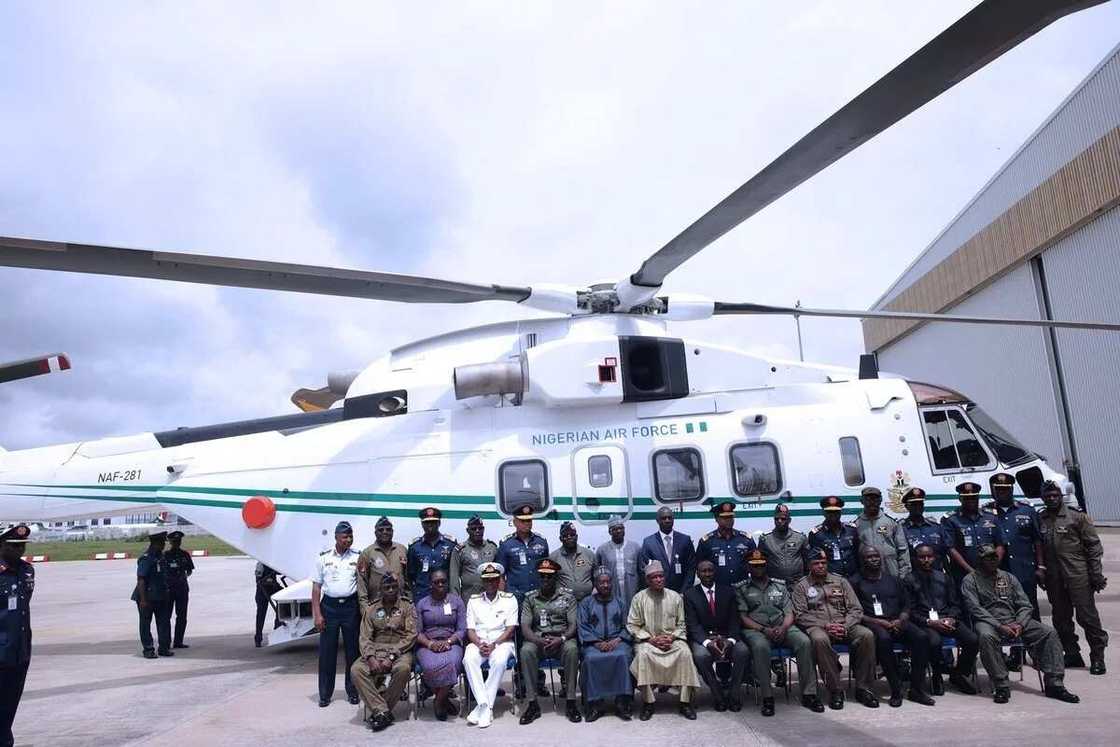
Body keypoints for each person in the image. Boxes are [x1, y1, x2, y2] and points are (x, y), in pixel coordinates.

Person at [961, 543, 1079, 704]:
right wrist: (999, 626)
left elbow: (1025, 604)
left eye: (994, 557)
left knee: (1048, 633)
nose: (992, 561)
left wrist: (1020, 624)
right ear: (980, 560)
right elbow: (975, 609)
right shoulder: (970, 580)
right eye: (987, 558)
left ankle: (1054, 683)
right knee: (986, 636)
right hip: (989, 622)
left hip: (1015, 621)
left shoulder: (1009, 577)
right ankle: (1001, 684)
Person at [737, 548, 822, 715]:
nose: (758, 568)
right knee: (760, 647)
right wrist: (763, 629)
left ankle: (809, 694)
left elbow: (790, 612)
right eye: (754, 566)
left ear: (766, 565)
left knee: (804, 642)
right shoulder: (742, 588)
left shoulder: (780, 585)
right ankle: (767, 697)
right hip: (756, 630)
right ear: (748, 567)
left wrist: (783, 627)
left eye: (761, 565)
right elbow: (743, 617)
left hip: (783, 626)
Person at [1038, 480, 1109, 674]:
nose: (1052, 499)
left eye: (1055, 495)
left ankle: (1097, 657)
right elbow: (1038, 548)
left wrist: (1096, 573)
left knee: (1087, 618)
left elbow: (1094, 546)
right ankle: (1071, 654)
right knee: (1061, 619)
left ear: (1061, 496)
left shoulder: (1077, 517)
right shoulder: (1041, 519)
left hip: (1078, 576)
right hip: (1054, 579)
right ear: (1043, 498)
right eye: (1048, 496)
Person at [792, 548, 876, 710]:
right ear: (809, 565)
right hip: (818, 626)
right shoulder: (802, 586)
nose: (821, 566)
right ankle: (835, 690)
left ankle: (863, 688)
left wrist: (845, 625)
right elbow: (800, 615)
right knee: (819, 639)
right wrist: (826, 625)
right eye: (816, 563)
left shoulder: (841, 581)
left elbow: (856, 609)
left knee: (867, 635)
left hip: (844, 624)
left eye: (823, 563)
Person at [850, 546, 934, 707]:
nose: (874, 559)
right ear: (862, 560)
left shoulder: (893, 579)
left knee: (922, 637)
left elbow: (907, 604)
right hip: (874, 623)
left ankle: (917, 689)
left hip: (898, 621)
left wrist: (902, 618)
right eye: (869, 557)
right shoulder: (855, 582)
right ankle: (896, 688)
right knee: (883, 639)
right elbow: (855, 612)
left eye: (876, 556)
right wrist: (879, 622)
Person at [626, 560, 702, 721]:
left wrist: (672, 637)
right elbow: (632, 625)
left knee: (685, 654)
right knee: (642, 657)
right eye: (654, 577)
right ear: (647, 580)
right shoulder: (639, 598)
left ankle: (684, 702)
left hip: (672, 640)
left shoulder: (675, 597)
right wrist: (650, 639)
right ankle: (648, 703)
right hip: (648, 641)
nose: (659, 580)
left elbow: (682, 624)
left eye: (661, 576)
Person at [907, 543, 978, 695]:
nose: (926, 560)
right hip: (925, 621)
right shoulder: (908, 580)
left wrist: (951, 618)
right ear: (915, 559)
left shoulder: (945, 578)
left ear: (935, 558)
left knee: (972, 639)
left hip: (948, 619)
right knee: (934, 642)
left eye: (929, 556)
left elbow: (955, 603)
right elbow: (910, 611)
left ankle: (959, 674)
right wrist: (930, 622)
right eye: (922, 557)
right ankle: (936, 676)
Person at [519, 558, 581, 724]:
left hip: (562, 640)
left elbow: (573, 624)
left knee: (572, 649)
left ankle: (570, 702)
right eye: (542, 576)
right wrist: (539, 641)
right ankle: (532, 704)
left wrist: (561, 639)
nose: (545, 580)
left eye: (549, 576)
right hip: (539, 640)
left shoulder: (567, 597)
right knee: (526, 651)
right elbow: (525, 627)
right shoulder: (530, 598)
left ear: (555, 577)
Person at [351, 574, 416, 732]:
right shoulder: (371, 609)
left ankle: (380, 711)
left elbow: (411, 635)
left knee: (403, 669)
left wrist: (392, 656)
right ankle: (383, 711)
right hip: (376, 650)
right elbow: (364, 637)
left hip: (400, 651)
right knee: (356, 670)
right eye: (387, 587)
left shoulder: (407, 606)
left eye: (394, 587)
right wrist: (371, 658)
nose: (391, 590)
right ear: (380, 590)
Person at [683, 559, 749, 712]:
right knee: (701, 656)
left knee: (742, 651)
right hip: (704, 639)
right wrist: (707, 643)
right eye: (703, 571)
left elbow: (735, 619)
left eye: (710, 570)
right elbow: (693, 624)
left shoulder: (728, 591)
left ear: (715, 572)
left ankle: (734, 694)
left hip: (726, 636)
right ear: (698, 574)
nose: (707, 574)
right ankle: (717, 694)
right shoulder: (690, 594)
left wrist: (730, 641)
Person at [311, 520, 361, 707]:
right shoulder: (323, 558)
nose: (348, 540)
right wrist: (317, 614)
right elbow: (316, 589)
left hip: (351, 607)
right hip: (329, 607)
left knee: (353, 653)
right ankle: (325, 694)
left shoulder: (357, 557)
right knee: (327, 653)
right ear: (336, 538)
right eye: (345, 536)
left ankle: (353, 691)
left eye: (350, 536)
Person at [464, 561, 519, 729]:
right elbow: (470, 630)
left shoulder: (509, 600)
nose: (490, 583)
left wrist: (494, 644)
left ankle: (483, 707)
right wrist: (479, 644)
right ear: (482, 581)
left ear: (499, 580)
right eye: (487, 580)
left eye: (494, 579)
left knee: (499, 661)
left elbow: (510, 629)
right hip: (479, 642)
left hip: (502, 642)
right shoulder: (473, 601)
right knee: (468, 659)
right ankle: (485, 706)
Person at [577, 566, 634, 722]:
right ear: (595, 584)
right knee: (590, 660)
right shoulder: (586, 603)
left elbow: (628, 625)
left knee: (623, 656)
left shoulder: (621, 603)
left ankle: (622, 703)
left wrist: (618, 639)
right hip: (593, 643)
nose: (605, 585)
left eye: (608, 582)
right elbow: (582, 626)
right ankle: (595, 705)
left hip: (618, 641)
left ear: (612, 583)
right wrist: (596, 643)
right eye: (601, 582)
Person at [414, 569, 467, 720]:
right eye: (436, 582)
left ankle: (439, 700)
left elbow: (463, 629)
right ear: (430, 584)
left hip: (451, 642)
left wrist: (449, 641)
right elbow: (416, 632)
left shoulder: (456, 601)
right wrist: (430, 644)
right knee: (430, 666)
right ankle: (444, 698)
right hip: (427, 644)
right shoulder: (422, 603)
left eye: (443, 581)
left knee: (454, 663)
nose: (440, 584)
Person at [0, 525, 34, 747]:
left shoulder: (27, 570)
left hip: (20, 652)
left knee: (10, 706)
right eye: (14, 546)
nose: (20, 550)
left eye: (22, 546)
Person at [942, 482, 1005, 587]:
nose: (971, 500)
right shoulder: (951, 519)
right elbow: (951, 549)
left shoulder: (991, 517)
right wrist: (971, 571)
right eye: (967, 498)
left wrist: (993, 566)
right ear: (960, 499)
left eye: (974, 497)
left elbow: (1000, 544)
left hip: (991, 573)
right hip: (964, 575)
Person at [852, 487, 911, 578]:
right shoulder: (856, 525)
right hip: (868, 576)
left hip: (891, 573)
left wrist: (903, 575)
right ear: (862, 501)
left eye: (875, 499)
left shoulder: (891, 523)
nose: (872, 502)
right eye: (868, 499)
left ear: (880, 500)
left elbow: (903, 550)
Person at [495, 505, 550, 601]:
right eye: (522, 521)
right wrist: (502, 599)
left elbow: (547, 570)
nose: (526, 524)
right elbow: (501, 576)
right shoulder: (506, 544)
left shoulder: (541, 542)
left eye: (529, 520)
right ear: (515, 522)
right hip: (515, 596)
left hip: (537, 595)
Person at [131, 530, 172, 659]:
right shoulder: (146, 558)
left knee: (164, 622)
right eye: (162, 542)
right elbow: (141, 579)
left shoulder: (161, 556)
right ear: (156, 543)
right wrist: (143, 600)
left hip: (160, 596)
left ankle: (164, 648)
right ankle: (148, 649)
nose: (164, 545)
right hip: (146, 597)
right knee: (145, 624)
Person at [695, 501, 755, 587]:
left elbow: (755, 565)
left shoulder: (745, 539)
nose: (729, 520)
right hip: (719, 589)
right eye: (725, 517)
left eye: (731, 517)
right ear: (716, 519)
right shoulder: (707, 542)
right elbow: (700, 566)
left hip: (743, 589)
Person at [637, 506, 696, 593]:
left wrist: (684, 591)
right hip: (658, 593)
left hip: (681, 593)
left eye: (670, 518)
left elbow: (691, 568)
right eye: (663, 518)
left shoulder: (685, 540)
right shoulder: (649, 542)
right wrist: (655, 590)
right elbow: (644, 570)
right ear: (657, 520)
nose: (667, 520)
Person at [406, 507, 457, 602]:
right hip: (422, 597)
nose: (430, 525)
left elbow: (455, 572)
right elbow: (410, 575)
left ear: (439, 523)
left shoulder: (450, 544)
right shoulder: (414, 546)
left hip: (445, 596)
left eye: (433, 522)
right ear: (422, 524)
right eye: (426, 522)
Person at [357, 516, 407, 611]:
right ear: (375, 533)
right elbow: (362, 584)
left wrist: (409, 602)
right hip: (376, 606)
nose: (385, 532)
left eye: (388, 529)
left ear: (392, 532)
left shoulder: (402, 550)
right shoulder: (367, 553)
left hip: (400, 606)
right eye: (381, 530)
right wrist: (365, 609)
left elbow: (408, 578)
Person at [805, 496, 860, 578]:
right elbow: (815, 560)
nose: (833, 514)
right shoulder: (816, 534)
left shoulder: (851, 530)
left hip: (854, 578)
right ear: (824, 513)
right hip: (831, 581)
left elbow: (858, 553)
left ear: (841, 512)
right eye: (829, 511)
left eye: (836, 511)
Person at [595, 516, 641, 610]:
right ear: (610, 532)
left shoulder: (635, 547)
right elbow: (597, 572)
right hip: (612, 590)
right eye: (615, 529)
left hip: (632, 590)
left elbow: (641, 571)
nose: (618, 531)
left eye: (621, 528)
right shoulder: (602, 550)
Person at [900, 488, 951, 570]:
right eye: (914, 504)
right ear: (907, 506)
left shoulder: (936, 528)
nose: (917, 507)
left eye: (920, 504)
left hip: (937, 577)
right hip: (914, 578)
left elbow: (944, 554)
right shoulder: (901, 530)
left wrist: (949, 576)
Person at [757, 503, 807, 585]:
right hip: (774, 585)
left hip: (797, 584)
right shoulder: (765, 539)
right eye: (776, 519)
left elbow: (807, 561)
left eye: (783, 519)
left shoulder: (800, 538)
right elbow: (761, 564)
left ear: (789, 520)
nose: (779, 521)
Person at [450, 515, 497, 600]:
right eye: (474, 529)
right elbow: (454, 577)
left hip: (490, 597)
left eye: (480, 528)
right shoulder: (460, 550)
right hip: (469, 597)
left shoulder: (492, 547)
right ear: (468, 531)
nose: (477, 531)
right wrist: (456, 600)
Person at [550, 521, 596, 601]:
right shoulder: (553, 557)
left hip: (588, 602)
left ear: (577, 537)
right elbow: (549, 582)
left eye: (572, 535)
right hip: (564, 604)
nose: (569, 537)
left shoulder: (589, 554)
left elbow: (596, 577)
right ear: (560, 539)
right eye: (565, 536)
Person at [164, 530, 195, 649]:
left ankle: (178, 641)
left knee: (182, 616)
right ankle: (166, 641)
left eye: (179, 541)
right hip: (169, 589)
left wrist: (183, 577)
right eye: (175, 541)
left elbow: (190, 570)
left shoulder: (185, 555)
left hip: (182, 588)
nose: (177, 543)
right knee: (166, 616)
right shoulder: (166, 555)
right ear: (171, 542)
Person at [254, 562, 286, 647]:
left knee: (284, 599)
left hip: (272, 588)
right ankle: (258, 638)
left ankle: (277, 625)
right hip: (262, 590)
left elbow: (280, 572)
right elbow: (258, 580)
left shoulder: (272, 562)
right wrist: (269, 580)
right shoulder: (260, 564)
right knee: (261, 614)